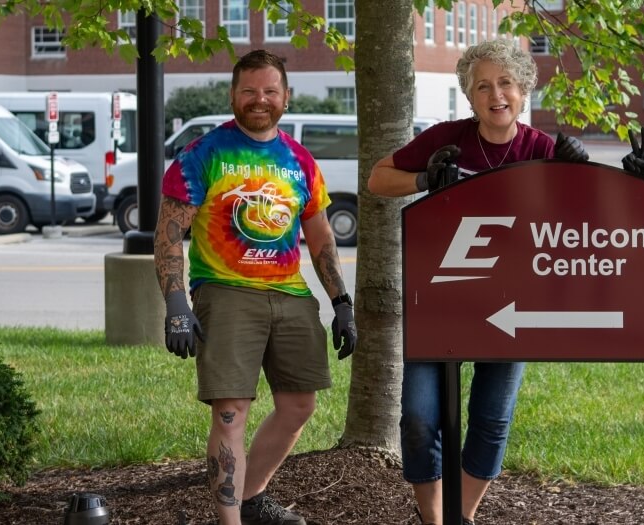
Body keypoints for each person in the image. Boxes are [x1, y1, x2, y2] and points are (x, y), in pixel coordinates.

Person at [367, 38, 592, 525]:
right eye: (483, 86)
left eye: (506, 83)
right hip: (441, 299)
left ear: (524, 89)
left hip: (512, 302)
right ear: (468, 96)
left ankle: (462, 517)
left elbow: (581, 221)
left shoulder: (542, 149)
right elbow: (378, 180)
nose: (496, 95)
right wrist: (425, 180)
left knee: (490, 420)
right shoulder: (447, 138)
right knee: (421, 417)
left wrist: (581, 172)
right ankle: (432, 519)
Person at [155, 49, 358, 525]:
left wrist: (341, 303)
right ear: (233, 95)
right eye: (249, 90)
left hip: (290, 294)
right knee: (231, 412)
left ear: (285, 97)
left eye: (269, 91)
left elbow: (321, 237)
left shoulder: (300, 161)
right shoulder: (201, 155)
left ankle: (251, 498)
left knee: (298, 405)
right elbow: (168, 236)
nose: (259, 99)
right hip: (225, 293)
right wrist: (176, 303)